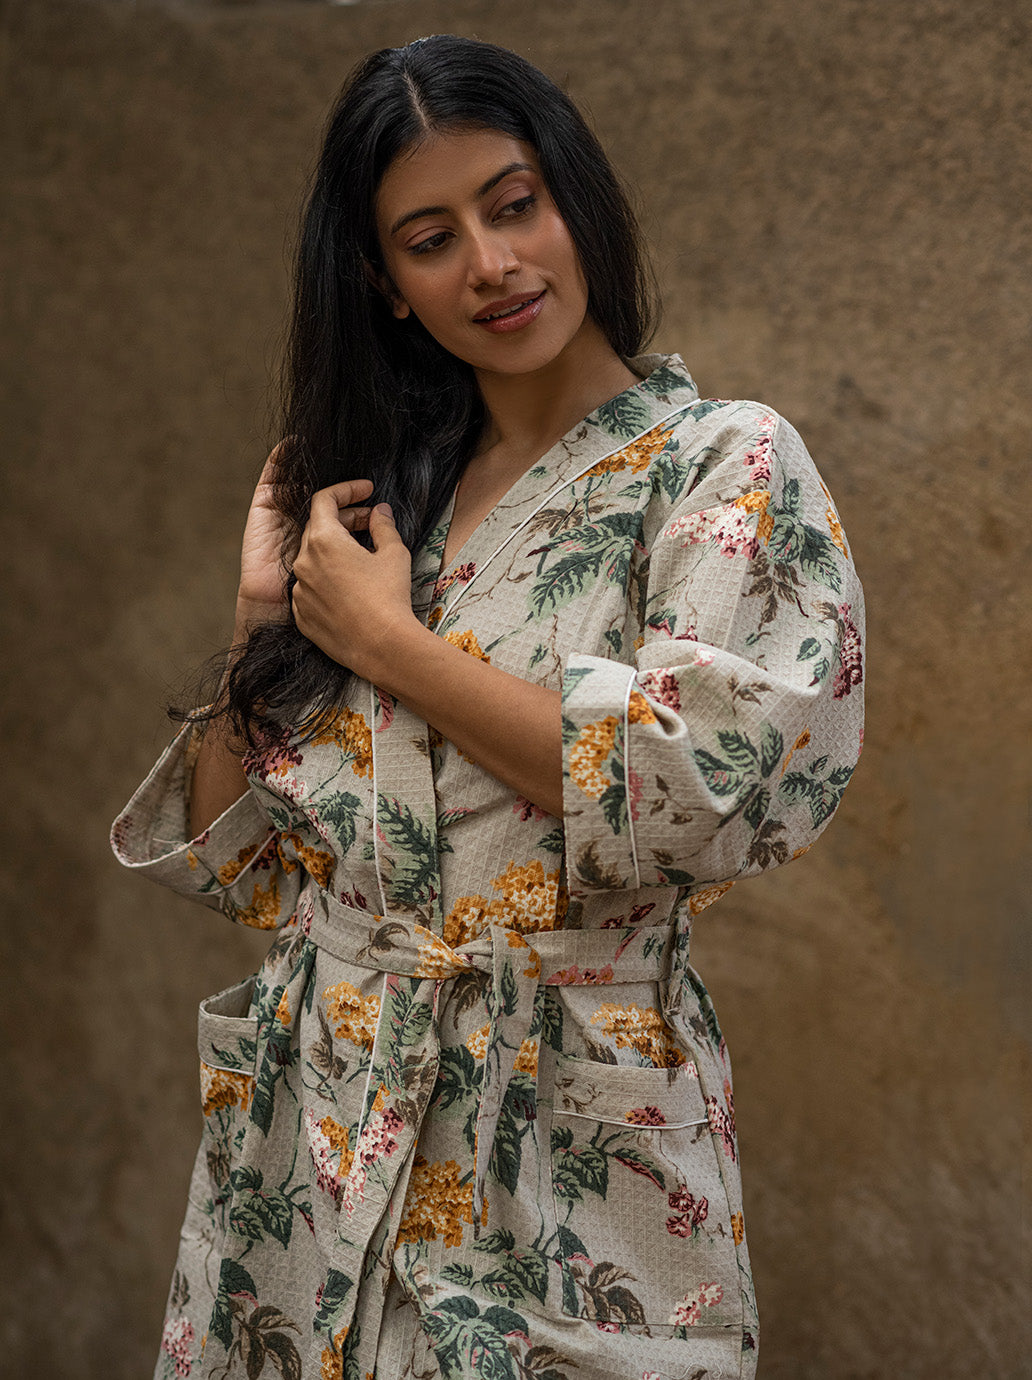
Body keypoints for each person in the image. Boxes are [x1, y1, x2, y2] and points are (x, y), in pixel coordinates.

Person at [111, 34, 864, 1380]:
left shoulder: (722, 467)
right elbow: (245, 869)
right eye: (431, 239)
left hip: (560, 1146)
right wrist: (262, 621)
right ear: (384, 285)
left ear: (575, 199)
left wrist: (391, 647)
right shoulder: (378, 501)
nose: (492, 263)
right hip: (314, 1144)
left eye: (514, 205)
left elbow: (688, 797)